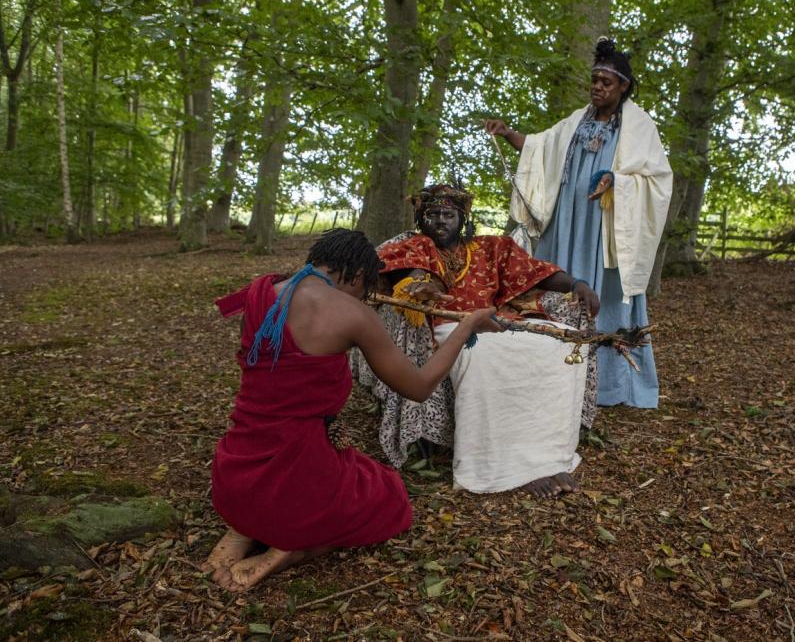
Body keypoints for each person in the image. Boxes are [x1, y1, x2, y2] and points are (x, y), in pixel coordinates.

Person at [203, 229, 499, 592]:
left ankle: (245, 526)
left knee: (332, 469)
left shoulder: (260, 291)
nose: (364, 299)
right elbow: (419, 387)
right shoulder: (352, 314)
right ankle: (292, 548)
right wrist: (465, 326)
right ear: (358, 276)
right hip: (292, 482)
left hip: (234, 476)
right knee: (389, 495)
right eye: (365, 291)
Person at [374, 184, 600, 499]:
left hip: (499, 319)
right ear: (421, 219)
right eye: (432, 214)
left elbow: (535, 272)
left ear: (463, 218)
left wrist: (577, 284)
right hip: (448, 325)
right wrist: (420, 286)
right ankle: (496, 462)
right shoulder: (417, 246)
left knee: (560, 346)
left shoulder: (492, 247)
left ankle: (549, 455)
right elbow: (411, 275)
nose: (440, 221)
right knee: (484, 357)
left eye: (448, 214)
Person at [485, 37, 673, 409]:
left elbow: (657, 179)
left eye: (606, 82)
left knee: (607, 300)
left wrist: (616, 181)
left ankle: (607, 386)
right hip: (565, 226)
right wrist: (507, 134)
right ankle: (551, 375)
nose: (597, 87)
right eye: (595, 80)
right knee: (556, 286)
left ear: (623, 87)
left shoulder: (639, 126)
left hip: (607, 232)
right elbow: (538, 148)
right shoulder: (576, 121)